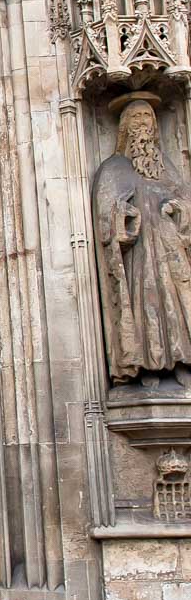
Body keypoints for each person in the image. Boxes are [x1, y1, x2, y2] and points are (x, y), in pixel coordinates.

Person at [92, 94, 191, 386]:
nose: (143, 124)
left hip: (171, 256)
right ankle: (147, 367)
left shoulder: (167, 169)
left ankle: (181, 359)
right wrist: (124, 215)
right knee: (144, 307)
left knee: (175, 305)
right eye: (136, 118)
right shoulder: (114, 167)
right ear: (124, 128)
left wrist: (177, 209)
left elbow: (185, 201)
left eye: (147, 117)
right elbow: (106, 211)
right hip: (139, 257)